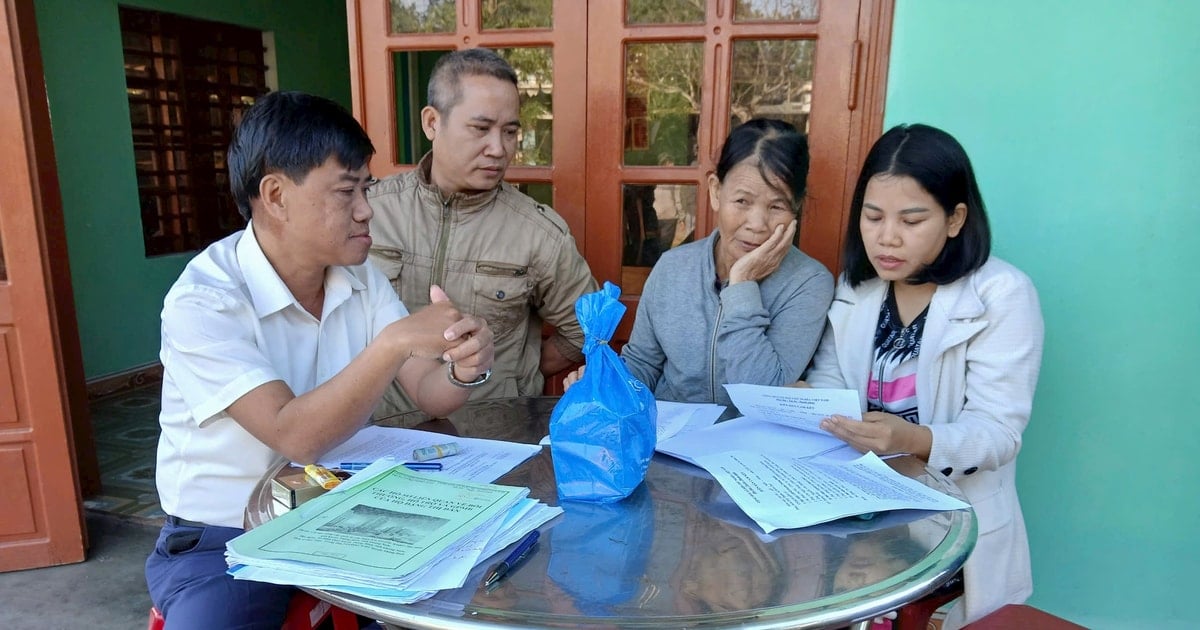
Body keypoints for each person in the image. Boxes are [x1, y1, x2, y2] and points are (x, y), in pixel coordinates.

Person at [144, 91, 495, 630]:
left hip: (343, 511)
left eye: (367, 187)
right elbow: (293, 434)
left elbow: (428, 390)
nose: (366, 209)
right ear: (276, 196)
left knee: (468, 583)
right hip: (225, 536)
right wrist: (394, 342)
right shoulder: (205, 301)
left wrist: (463, 368)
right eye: (345, 191)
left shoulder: (359, 277)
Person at [801, 123, 1044, 628]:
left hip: (947, 518)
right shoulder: (858, 286)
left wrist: (913, 439)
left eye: (911, 220)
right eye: (872, 217)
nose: (886, 237)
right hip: (856, 509)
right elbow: (831, 382)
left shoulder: (1004, 295)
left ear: (956, 219)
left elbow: (999, 433)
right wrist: (808, 402)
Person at [367, 48, 596, 416]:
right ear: (432, 123)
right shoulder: (371, 212)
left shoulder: (538, 232)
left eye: (509, 132)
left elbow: (586, 330)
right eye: (480, 128)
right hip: (380, 429)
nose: (498, 149)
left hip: (493, 434)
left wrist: (520, 372)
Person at [568, 119, 833, 407]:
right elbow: (643, 364)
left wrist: (742, 283)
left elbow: (766, 394)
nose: (757, 224)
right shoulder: (672, 268)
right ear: (716, 191)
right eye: (742, 201)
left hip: (752, 446)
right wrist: (606, 382)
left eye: (777, 206)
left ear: (797, 207)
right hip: (671, 441)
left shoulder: (808, 282)